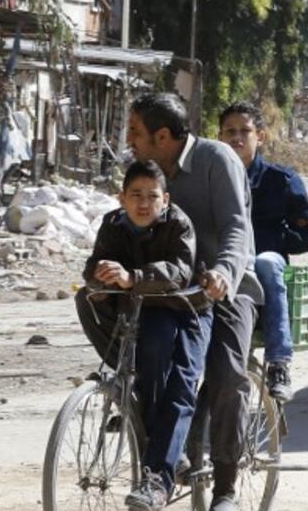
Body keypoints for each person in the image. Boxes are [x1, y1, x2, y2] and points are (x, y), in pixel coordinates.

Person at [76, 93, 259, 511]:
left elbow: (236, 229)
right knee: (143, 351)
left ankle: (226, 487)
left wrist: (223, 274)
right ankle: (161, 449)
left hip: (222, 288)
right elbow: (127, 225)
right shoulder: (151, 174)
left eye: (135, 132)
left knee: (226, 375)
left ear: (162, 136)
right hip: (163, 291)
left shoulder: (217, 159)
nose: (129, 141)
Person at [81, 160, 212, 511]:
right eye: (135, 195)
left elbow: (180, 273)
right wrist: (101, 280)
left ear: (165, 200)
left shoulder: (179, 224)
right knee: (89, 300)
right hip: (145, 312)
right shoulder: (112, 225)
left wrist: (132, 277)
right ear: (121, 198)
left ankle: (157, 480)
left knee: (181, 384)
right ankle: (169, 450)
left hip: (188, 310)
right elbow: (94, 264)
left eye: (151, 196)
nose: (143, 203)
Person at [218, 101, 308, 402]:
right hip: (226, 267)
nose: (237, 138)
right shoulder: (212, 179)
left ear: (259, 136)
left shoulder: (281, 180)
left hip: (264, 265)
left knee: (265, 262)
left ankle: (279, 364)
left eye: (244, 131)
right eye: (230, 132)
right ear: (220, 137)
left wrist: (276, 239)